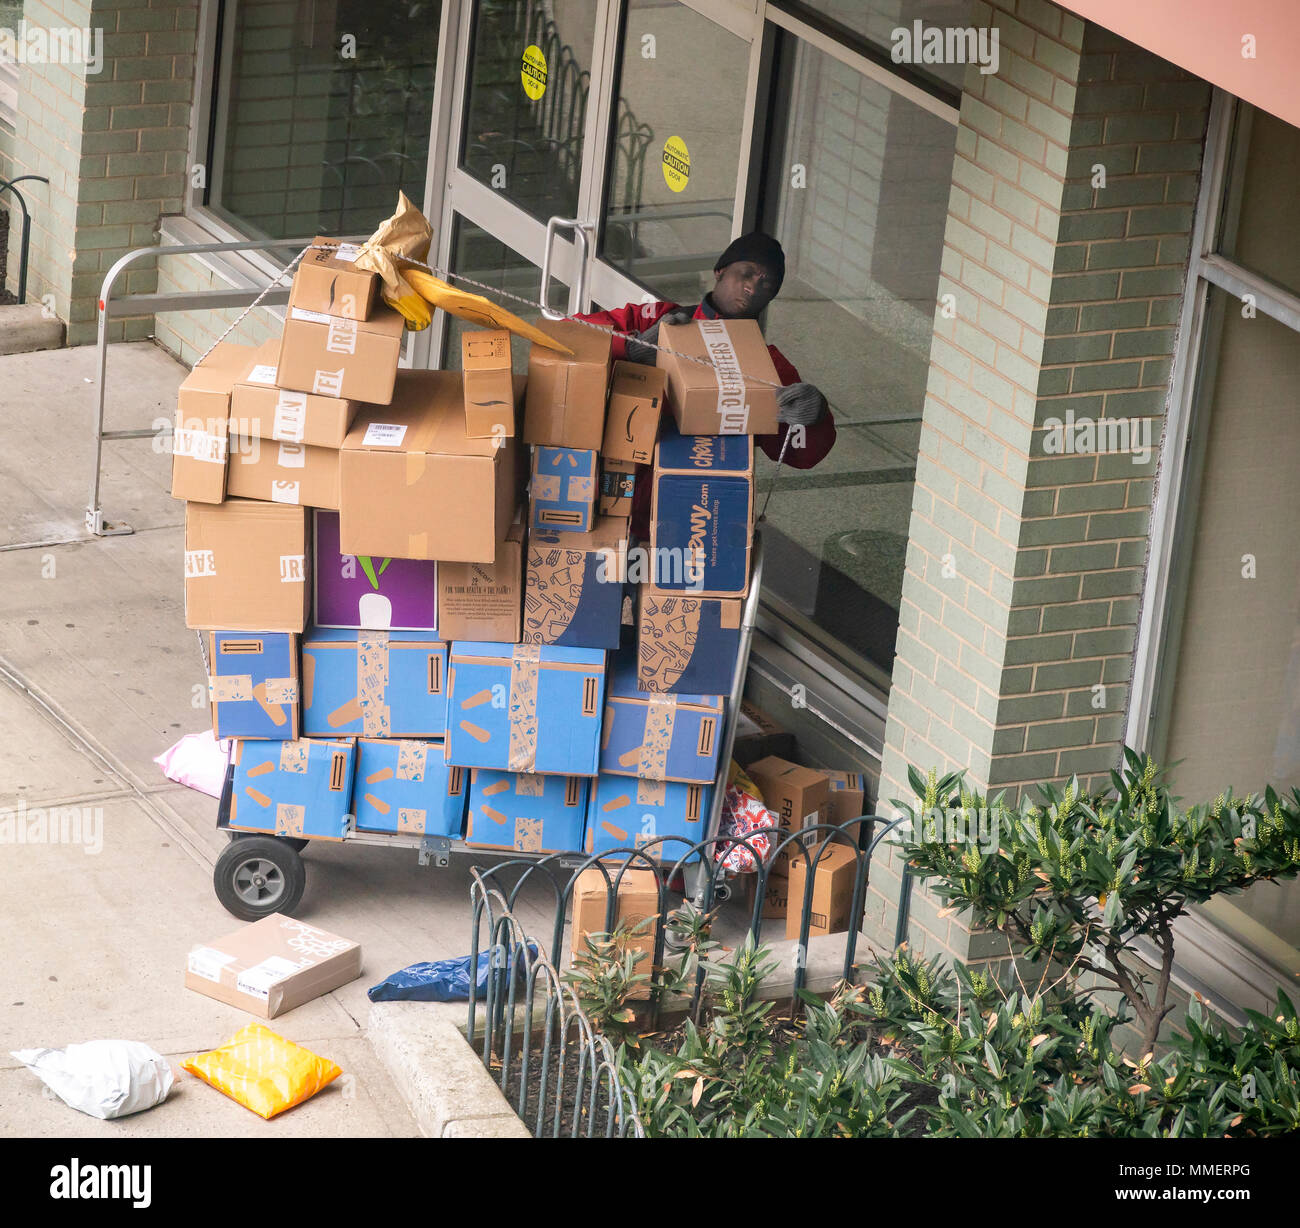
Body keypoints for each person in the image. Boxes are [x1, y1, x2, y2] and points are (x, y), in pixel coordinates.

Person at [575, 232, 835, 537]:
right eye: (747, 273)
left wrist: (814, 417)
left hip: (697, 523)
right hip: (605, 501)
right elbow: (568, 335)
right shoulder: (659, 319)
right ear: (720, 271)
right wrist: (630, 347)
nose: (753, 287)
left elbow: (802, 456)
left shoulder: (771, 365)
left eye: (767, 284)